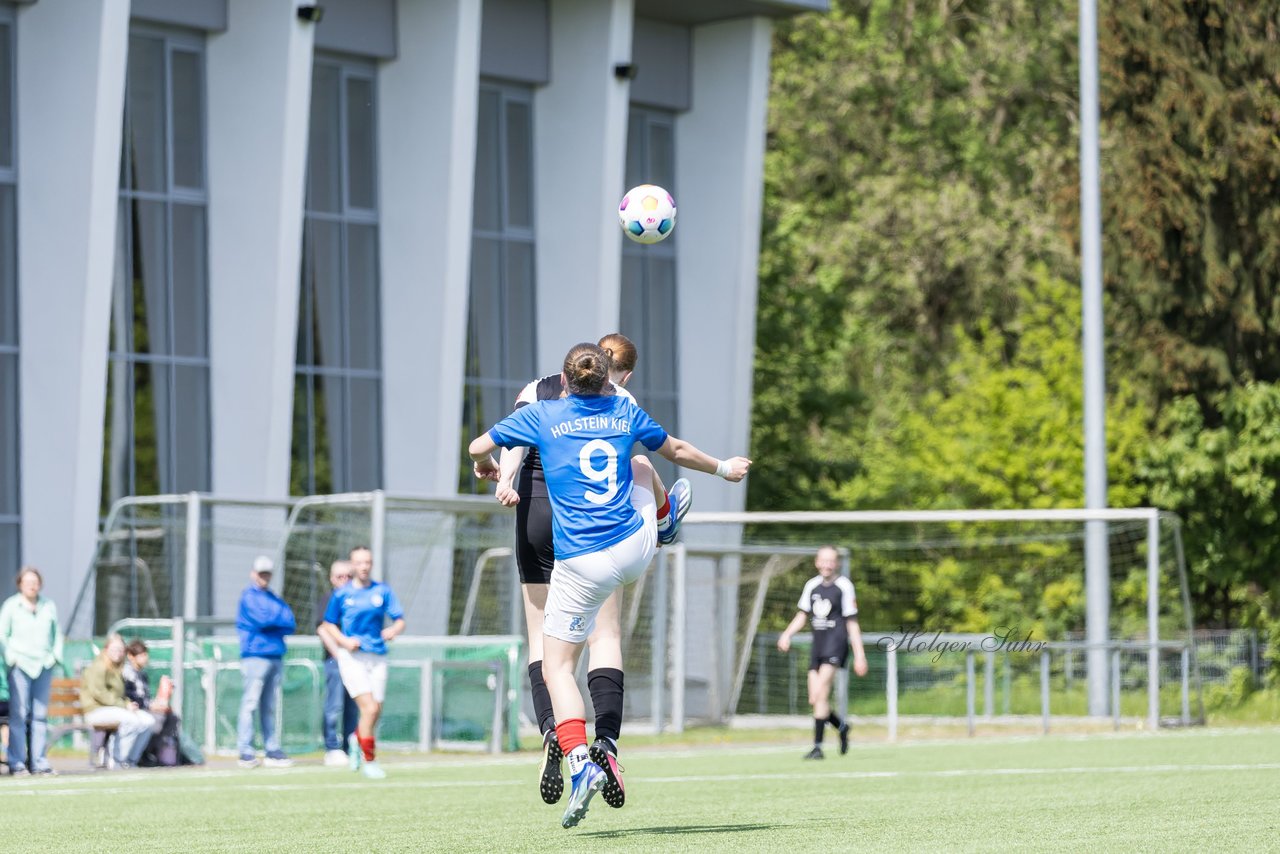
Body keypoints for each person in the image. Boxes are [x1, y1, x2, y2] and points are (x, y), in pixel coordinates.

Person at [469, 342, 750, 828]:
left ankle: (573, 755)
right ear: (611, 378)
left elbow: (482, 447)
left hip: (576, 558)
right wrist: (725, 468)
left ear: (564, 377)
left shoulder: (541, 410)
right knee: (643, 472)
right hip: (632, 549)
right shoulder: (623, 409)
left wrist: (489, 470)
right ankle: (664, 522)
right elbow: (677, 450)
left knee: (555, 661)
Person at [491, 332, 676, 809]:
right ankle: (607, 742)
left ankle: (555, 730)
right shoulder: (621, 400)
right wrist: (661, 508)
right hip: (590, 526)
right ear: (619, 371)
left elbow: (511, 436)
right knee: (605, 637)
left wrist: (506, 478)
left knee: (543, 640)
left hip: (535, 509)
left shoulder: (536, 389)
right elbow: (640, 460)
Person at [318, 546, 406, 780]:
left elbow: (399, 620)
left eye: (367, 562)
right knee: (369, 708)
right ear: (352, 565)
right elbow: (328, 624)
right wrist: (344, 642)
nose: (364, 567)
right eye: (359, 563)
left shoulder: (382, 591)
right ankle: (370, 759)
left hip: (377, 655)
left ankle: (356, 739)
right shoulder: (342, 594)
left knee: (376, 710)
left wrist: (393, 630)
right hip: (352, 658)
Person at [776, 545, 869, 760]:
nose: (827, 564)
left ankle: (817, 747)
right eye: (823, 560)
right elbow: (802, 615)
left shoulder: (844, 586)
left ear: (837, 563)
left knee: (820, 694)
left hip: (836, 645)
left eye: (831, 561)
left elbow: (852, 622)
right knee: (814, 698)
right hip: (817, 646)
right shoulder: (812, 586)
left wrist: (860, 655)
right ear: (817, 562)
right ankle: (842, 726)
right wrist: (786, 634)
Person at [0, 566, 64, 775]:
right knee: (18, 715)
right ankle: (17, 763)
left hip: (43, 665)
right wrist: (12, 659)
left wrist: (54, 657)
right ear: (20, 584)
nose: (32, 585)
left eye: (35, 582)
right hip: (20, 666)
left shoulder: (48, 606)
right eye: (27, 582)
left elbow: (57, 634)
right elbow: (2, 635)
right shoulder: (11, 606)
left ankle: (39, 762)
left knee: (40, 716)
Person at [235, 555, 297, 769]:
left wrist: (274, 620)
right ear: (253, 573)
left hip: (275, 655)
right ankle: (245, 750)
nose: (264, 577)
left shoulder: (273, 597)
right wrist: (275, 620)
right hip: (255, 656)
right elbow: (264, 619)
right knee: (250, 703)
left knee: (269, 706)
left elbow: (290, 621)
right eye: (261, 573)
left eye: (267, 574)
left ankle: (272, 749)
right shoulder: (248, 596)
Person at [80, 633, 155, 769]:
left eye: (121, 650)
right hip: (95, 710)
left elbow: (118, 694)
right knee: (131, 720)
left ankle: (130, 761)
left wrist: (127, 703)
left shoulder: (117, 668)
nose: (118, 653)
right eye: (114, 649)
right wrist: (124, 704)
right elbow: (100, 694)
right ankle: (115, 759)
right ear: (106, 649)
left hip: (112, 708)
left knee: (148, 721)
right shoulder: (99, 666)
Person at [317, 559, 358, 767]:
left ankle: (350, 747)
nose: (345, 580)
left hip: (357, 661)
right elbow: (323, 629)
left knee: (354, 706)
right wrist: (340, 654)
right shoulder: (329, 599)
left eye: (348, 576)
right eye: (340, 576)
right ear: (332, 579)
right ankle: (332, 748)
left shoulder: (358, 600)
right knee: (334, 704)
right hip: (337, 660)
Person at [122, 639, 182, 767]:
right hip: (132, 710)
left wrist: (159, 703)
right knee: (156, 719)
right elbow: (132, 697)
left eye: (145, 654)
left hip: (144, 708)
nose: (145, 658)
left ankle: (158, 754)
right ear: (131, 656)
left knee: (172, 718)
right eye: (141, 655)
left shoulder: (142, 674)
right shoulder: (127, 673)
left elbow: (145, 697)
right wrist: (150, 706)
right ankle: (141, 754)